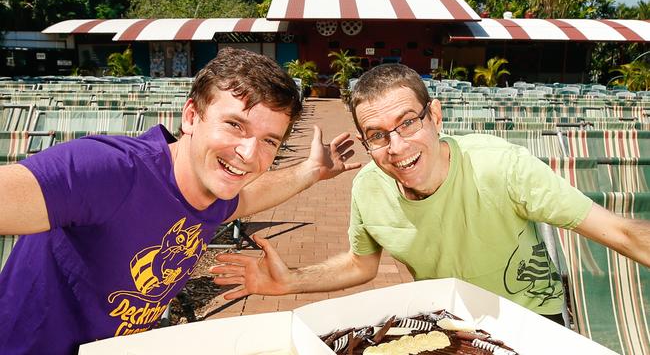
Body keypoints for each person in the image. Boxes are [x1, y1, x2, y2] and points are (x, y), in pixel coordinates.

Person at [212, 62, 650, 323]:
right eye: (378, 134)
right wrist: (292, 282)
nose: (398, 147)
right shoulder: (369, 186)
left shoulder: (502, 166)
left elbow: (622, 233)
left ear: (435, 115)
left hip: (531, 322)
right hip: (450, 326)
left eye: (408, 122)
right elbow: (361, 265)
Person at [0, 47, 360, 355]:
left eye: (269, 140)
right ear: (191, 116)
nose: (249, 154)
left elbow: (251, 197)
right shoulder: (109, 171)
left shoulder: (216, 193)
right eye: (235, 125)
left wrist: (311, 170)